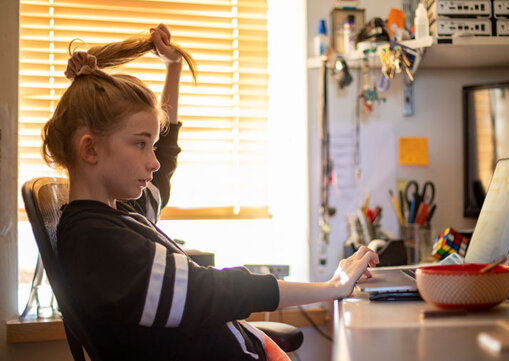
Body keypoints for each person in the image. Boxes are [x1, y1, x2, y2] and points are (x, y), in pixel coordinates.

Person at [41, 24, 379, 361]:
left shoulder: (119, 215)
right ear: (90, 150)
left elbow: (165, 159)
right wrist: (330, 288)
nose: (153, 163)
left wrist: (172, 69)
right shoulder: (96, 241)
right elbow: (206, 292)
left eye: (151, 145)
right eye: (141, 144)